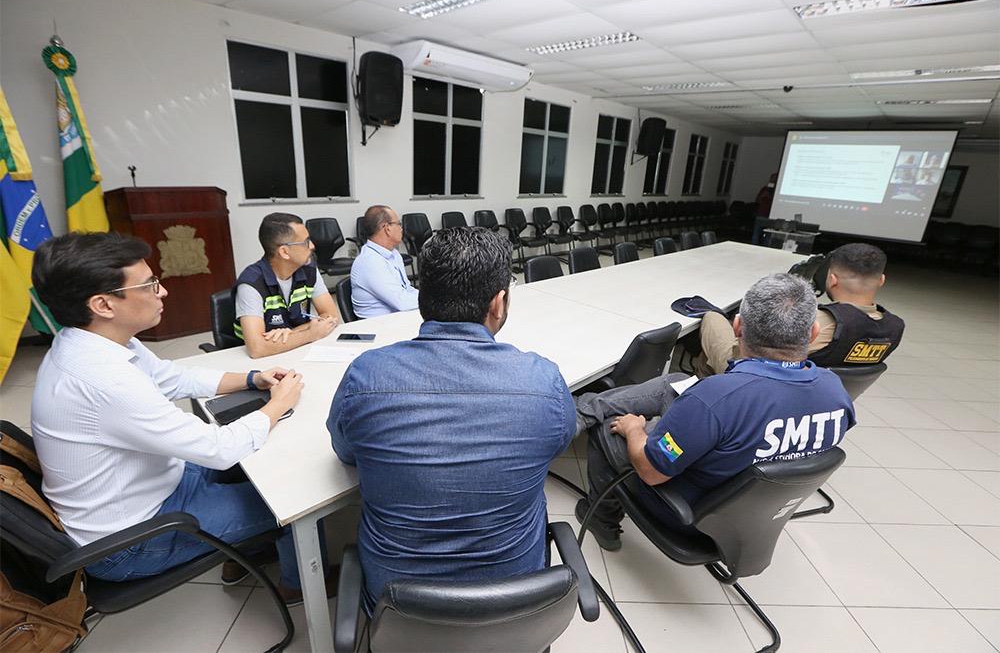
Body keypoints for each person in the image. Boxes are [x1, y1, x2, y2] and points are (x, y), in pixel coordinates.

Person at [30, 232, 324, 604]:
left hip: (155, 482)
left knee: (263, 460)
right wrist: (277, 404)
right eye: (150, 285)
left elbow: (173, 377)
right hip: (132, 538)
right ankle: (299, 586)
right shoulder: (101, 378)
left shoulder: (98, 339)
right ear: (104, 304)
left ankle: (244, 555)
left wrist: (252, 378)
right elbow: (218, 449)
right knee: (293, 497)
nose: (162, 292)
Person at [328, 227, 575, 611]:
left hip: (398, 609)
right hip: (513, 604)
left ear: (423, 297)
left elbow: (345, 452)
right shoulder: (545, 383)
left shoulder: (365, 376)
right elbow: (556, 445)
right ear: (499, 302)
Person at [576, 273, 856, 550]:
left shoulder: (715, 398)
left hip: (685, 515)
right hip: (746, 520)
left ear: (737, 326)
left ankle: (603, 521)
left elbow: (650, 472)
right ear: (813, 333)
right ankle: (585, 408)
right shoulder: (835, 391)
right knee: (677, 384)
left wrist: (634, 429)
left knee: (609, 427)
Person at [695, 243, 904, 376]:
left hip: (758, 380)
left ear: (832, 280)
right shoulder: (894, 328)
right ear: (882, 280)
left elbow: (747, 354)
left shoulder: (818, 322)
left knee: (713, 318)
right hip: (812, 396)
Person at [235, 212, 339, 358]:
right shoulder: (252, 284)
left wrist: (292, 333)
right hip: (258, 365)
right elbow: (257, 348)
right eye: (305, 242)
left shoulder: (309, 270)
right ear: (284, 252)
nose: (312, 246)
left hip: (295, 352)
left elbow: (331, 316)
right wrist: (310, 334)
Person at [350, 205, 419, 318]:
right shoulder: (369, 262)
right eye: (399, 224)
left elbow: (407, 289)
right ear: (387, 228)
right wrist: (435, 300)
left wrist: (432, 296)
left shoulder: (394, 254)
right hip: (378, 329)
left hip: (397, 319)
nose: (401, 228)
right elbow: (402, 302)